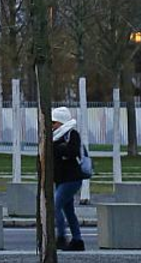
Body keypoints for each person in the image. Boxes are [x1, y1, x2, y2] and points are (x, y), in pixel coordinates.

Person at [52, 106, 86, 252]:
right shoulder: (55, 136)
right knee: (69, 211)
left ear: (61, 122)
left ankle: (61, 238)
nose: (52, 125)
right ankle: (77, 240)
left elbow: (71, 152)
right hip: (61, 179)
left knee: (55, 206)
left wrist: (58, 149)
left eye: (54, 122)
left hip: (71, 179)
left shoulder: (72, 134)